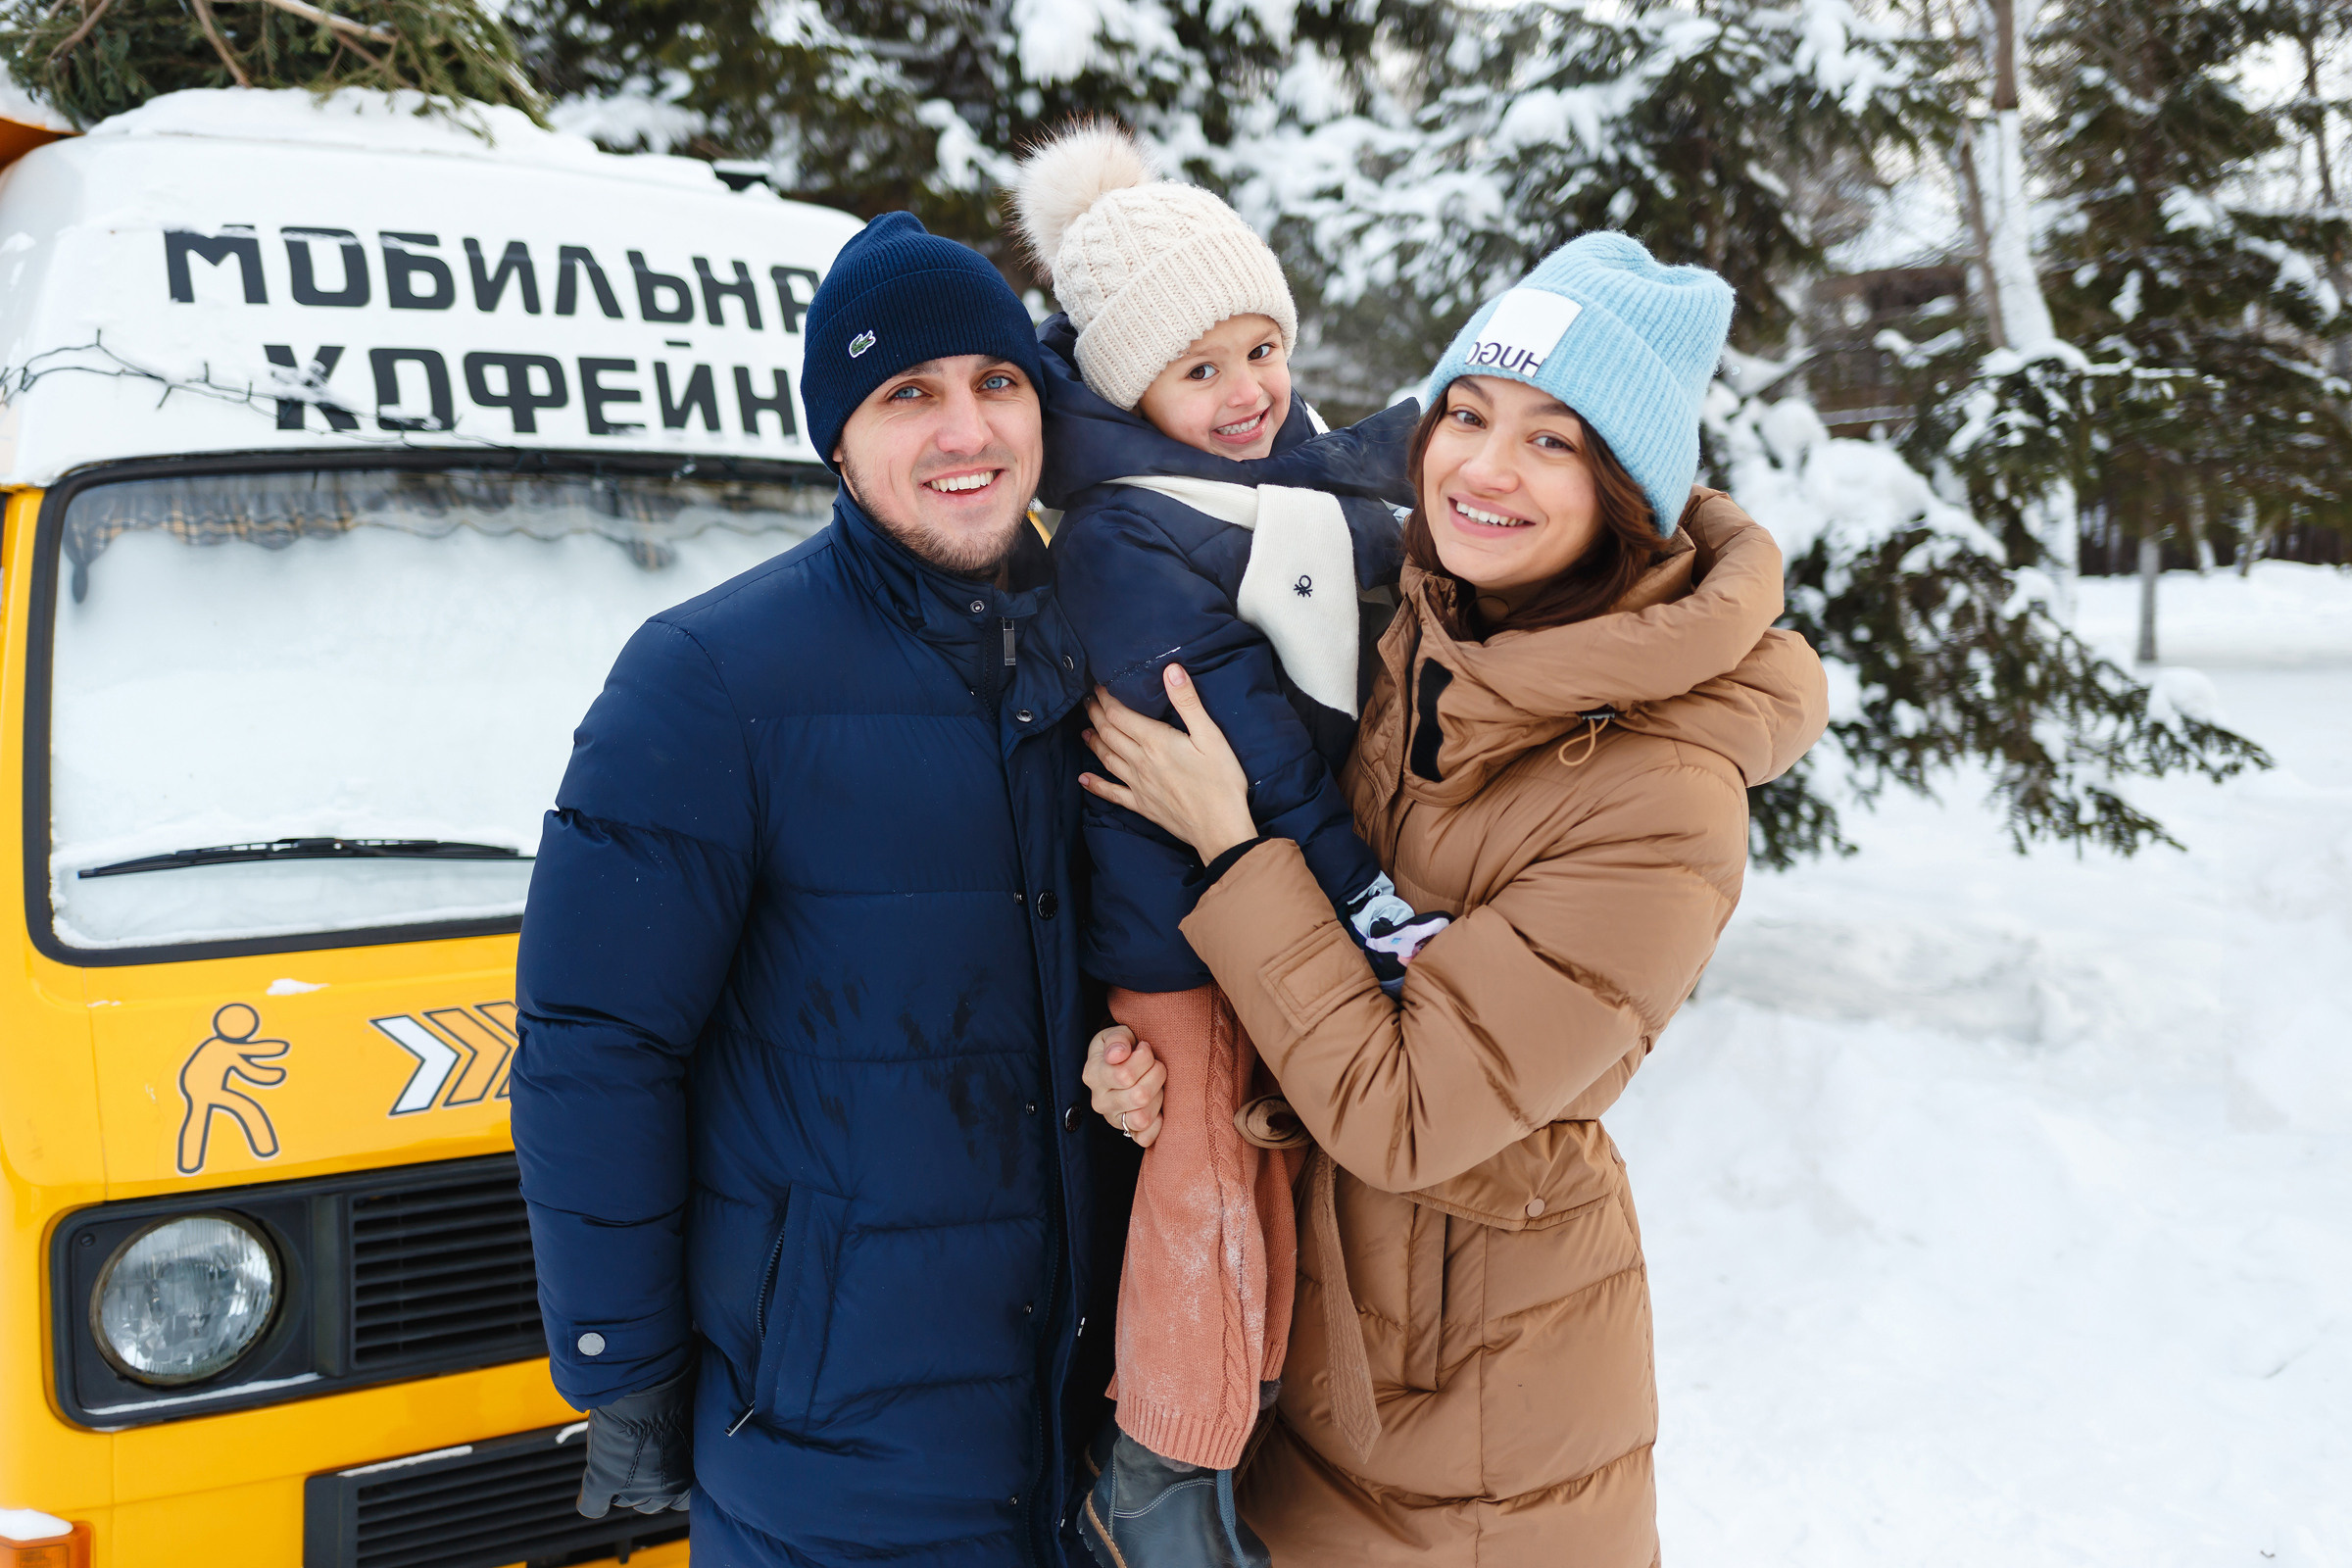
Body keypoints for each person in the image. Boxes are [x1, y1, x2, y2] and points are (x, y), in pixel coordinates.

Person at [1079, 233, 1831, 1565]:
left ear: (1626, 491)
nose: (1481, 466)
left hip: (1478, 1442)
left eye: (1552, 441)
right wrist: (1147, 1057)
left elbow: (1410, 1108)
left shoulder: (1660, 792)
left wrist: (1228, 846)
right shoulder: (1426, 631)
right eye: (1467, 414)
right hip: (1333, 1369)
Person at [511, 211, 1141, 1568]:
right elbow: (595, 1044)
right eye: (906, 393)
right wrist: (622, 1358)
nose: (963, 429)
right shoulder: (711, 679)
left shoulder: (1106, 649)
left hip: (1096, 1446)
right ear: (838, 441)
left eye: (995, 383)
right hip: (831, 1469)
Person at [1008, 122, 1446, 1568]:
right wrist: (1375, 906)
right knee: (1203, 1189)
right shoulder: (1125, 538)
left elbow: (1357, 527)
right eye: (1201, 372)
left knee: (1258, 1189)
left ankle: (1208, 1460)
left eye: (1263, 350)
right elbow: (1248, 750)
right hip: (1179, 930)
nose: (1249, 392)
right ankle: (1148, 1478)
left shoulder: (1276, 478)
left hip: (1256, 904)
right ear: (1132, 389)